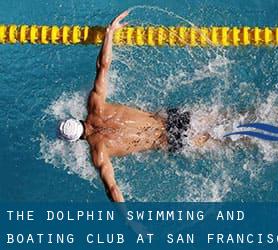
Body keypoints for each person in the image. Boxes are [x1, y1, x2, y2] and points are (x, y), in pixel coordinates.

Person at [58, 11, 210, 202]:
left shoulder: (99, 152)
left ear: (76, 140)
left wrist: (132, 223)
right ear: (76, 119)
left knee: (228, 140)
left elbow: (112, 189)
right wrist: (109, 33)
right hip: (172, 118)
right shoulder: (95, 105)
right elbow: (103, 66)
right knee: (226, 118)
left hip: (171, 140)